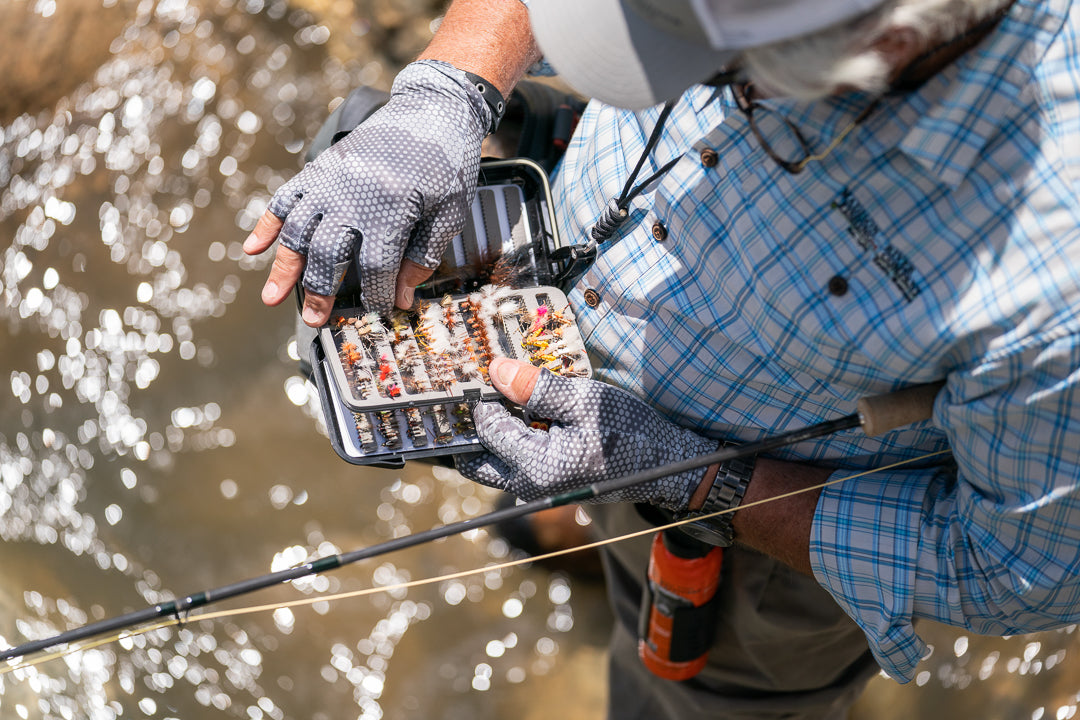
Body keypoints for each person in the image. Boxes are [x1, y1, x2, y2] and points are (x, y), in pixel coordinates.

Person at [244, 0, 1080, 717]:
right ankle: (569, 525)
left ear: (884, 46)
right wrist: (448, 93)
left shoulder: (1054, 286)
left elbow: (1019, 571)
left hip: (748, 571)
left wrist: (692, 478)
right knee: (552, 511)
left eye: (711, 68)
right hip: (561, 331)